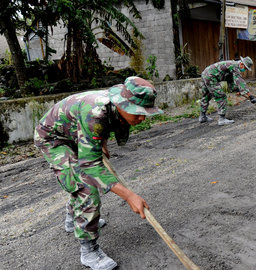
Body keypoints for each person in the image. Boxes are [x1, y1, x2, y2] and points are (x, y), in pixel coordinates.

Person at [34, 76, 162, 270]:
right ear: (122, 103)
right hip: (53, 138)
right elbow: (91, 166)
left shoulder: (113, 106)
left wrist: (100, 143)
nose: (142, 118)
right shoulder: (96, 112)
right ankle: (89, 252)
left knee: (82, 179)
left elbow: (101, 127)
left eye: (145, 112)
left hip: (74, 132)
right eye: (137, 112)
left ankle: (72, 220)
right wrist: (129, 196)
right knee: (85, 187)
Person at [199, 56, 256, 125]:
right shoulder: (235, 66)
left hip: (205, 74)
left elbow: (231, 82)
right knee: (221, 96)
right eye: (245, 68)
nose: (245, 70)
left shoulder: (231, 67)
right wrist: (250, 96)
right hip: (211, 76)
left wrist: (237, 90)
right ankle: (222, 119)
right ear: (241, 64)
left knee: (206, 95)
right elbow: (241, 82)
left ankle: (202, 116)